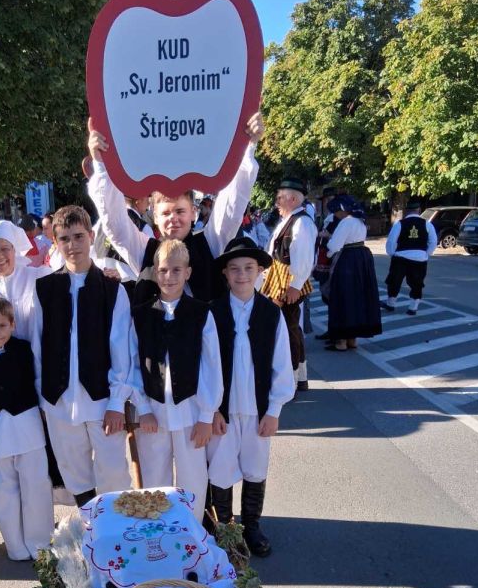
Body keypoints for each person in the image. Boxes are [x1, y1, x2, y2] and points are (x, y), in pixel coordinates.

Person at [87, 113, 265, 304]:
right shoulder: (144, 250)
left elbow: (232, 205)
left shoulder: (210, 242)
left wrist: (248, 146)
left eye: (180, 211)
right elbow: (115, 223)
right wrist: (101, 163)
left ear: (193, 213)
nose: (173, 218)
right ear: (154, 216)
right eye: (165, 213)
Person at [31, 205, 132, 506]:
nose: (72, 245)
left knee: (113, 471)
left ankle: (116, 533)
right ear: (55, 242)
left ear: (90, 236)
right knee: (73, 470)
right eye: (64, 239)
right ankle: (91, 530)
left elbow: (121, 350)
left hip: (101, 400)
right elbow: (39, 345)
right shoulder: (44, 288)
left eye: (78, 237)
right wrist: (43, 397)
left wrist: (116, 402)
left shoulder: (113, 290)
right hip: (59, 399)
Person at [207, 239, 295, 556]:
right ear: (226, 274)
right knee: (220, 469)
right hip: (224, 412)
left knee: (255, 468)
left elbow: (281, 366)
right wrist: (212, 410)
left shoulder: (271, 314)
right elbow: (205, 366)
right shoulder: (213, 313)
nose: (242, 275)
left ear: (259, 271)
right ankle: (226, 529)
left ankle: (252, 526)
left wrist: (274, 410)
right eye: (234, 269)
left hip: (257, 411)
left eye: (248, 268)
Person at [131, 239, 223, 522]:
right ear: (155, 273)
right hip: (153, 414)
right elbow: (132, 364)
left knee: (192, 480)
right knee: (154, 479)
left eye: (176, 270)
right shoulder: (141, 314)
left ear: (187, 273)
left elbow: (211, 366)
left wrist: (207, 414)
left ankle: (190, 534)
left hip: (190, 413)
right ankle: (158, 536)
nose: (169, 277)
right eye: (163, 270)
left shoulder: (201, 313)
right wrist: (143, 408)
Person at [0, 296, 54, 560]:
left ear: (12, 324)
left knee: (36, 486)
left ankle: (40, 543)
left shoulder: (25, 349)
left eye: (2, 326)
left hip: (26, 426)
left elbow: (39, 382)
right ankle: (15, 546)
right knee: (3, 490)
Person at [260, 178, 317, 393]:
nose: (276, 203)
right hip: (282, 281)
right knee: (291, 329)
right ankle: (298, 378)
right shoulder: (293, 219)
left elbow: (303, 257)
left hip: (287, 284)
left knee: (286, 331)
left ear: (292, 199)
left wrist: (295, 286)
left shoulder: (301, 222)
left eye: (279, 198)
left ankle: (291, 381)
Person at [323, 195, 382, 351]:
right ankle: (352, 339)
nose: (335, 215)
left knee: (343, 296)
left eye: (336, 211)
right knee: (358, 297)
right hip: (362, 259)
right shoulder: (360, 221)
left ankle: (341, 341)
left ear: (342, 210)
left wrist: (327, 251)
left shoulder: (346, 222)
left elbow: (335, 245)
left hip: (348, 260)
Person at [382, 201, 437, 315]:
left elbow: (391, 241)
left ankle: (391, 304)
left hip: (401, 257)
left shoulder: (400, 224)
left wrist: (392, 254)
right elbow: (433, 241)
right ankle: (413, 307)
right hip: (419, 259)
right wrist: (426, 254)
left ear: (407, 211)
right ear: (419, 210)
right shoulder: (427, 224)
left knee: (394, 281)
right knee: (417, 283)